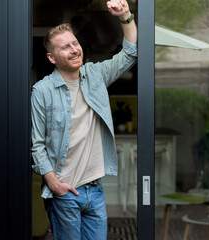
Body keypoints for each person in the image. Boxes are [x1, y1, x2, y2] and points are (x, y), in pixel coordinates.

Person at [30, 0, 137, 239]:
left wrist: (125, 16)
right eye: (65, 47)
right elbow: (36, 145)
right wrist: (54, 184)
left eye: (75, 43)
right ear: (52, 57)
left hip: (95, 189)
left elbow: (130, 53)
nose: (74, 49)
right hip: (65, 192)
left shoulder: (95, 75)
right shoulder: (42, 91)